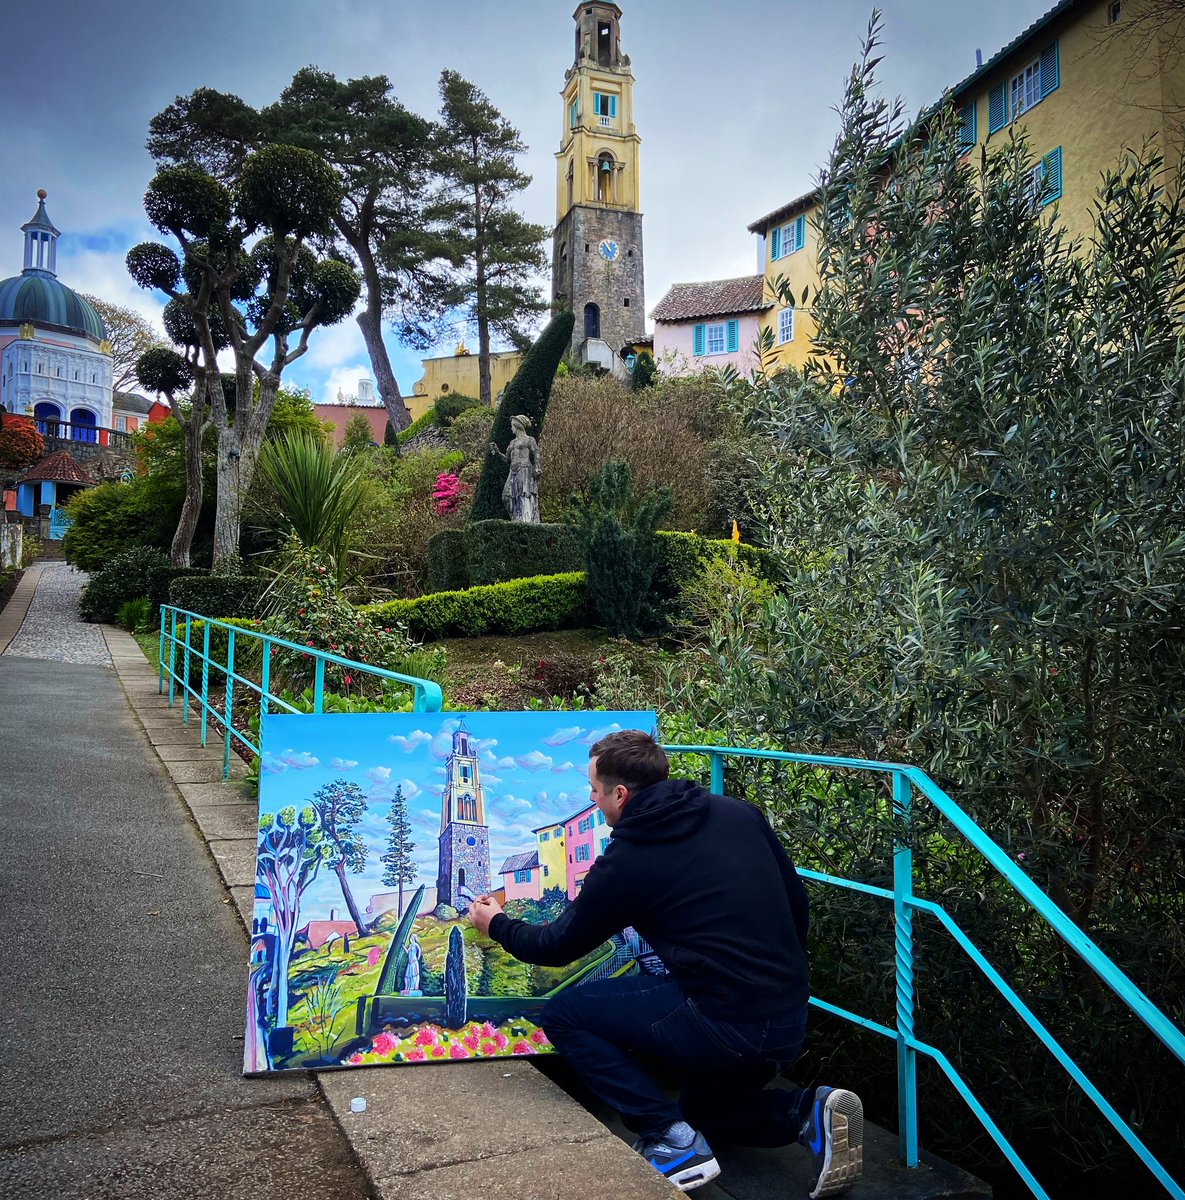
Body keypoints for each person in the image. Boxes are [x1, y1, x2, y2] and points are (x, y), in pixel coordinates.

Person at [468, 730, 863, 1198]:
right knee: (706, 1114)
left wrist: (495, 923)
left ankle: (668, 1139)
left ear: (620, 794)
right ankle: (805, 1113)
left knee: (565, 1014)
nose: (591, 799)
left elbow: (555, 945)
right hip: (789, 1015)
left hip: (723, 1022)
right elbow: (798, 903)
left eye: (593, 790)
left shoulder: (629, 859)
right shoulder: (739, 813)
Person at [489, 413, 541, 523]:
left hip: (525, 470)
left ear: (517, 426)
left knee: (524, 495)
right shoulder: (512, 443)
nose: (511, 428)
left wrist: (537, 468)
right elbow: (507, 460)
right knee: (506, 496)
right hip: (512, 471)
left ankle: (525, 520)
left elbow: (536, 453)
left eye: (512, 425)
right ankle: (516, 518)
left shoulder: (529, 440)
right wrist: (497, 451)